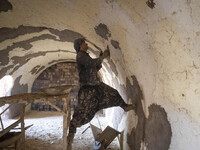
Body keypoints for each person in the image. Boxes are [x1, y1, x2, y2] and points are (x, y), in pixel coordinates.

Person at [67, 38, 135, 149]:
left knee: (113, 93)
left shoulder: (86, 55)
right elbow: (91, 63)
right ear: (80, 45)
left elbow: (95, 67)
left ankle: (125, 106)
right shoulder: (80, 55)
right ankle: (70, 137)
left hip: (97, 86)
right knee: (82, 113)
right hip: (87, 89)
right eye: (84, 42)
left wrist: (101, 57)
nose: (86, 43)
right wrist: (102, 57)